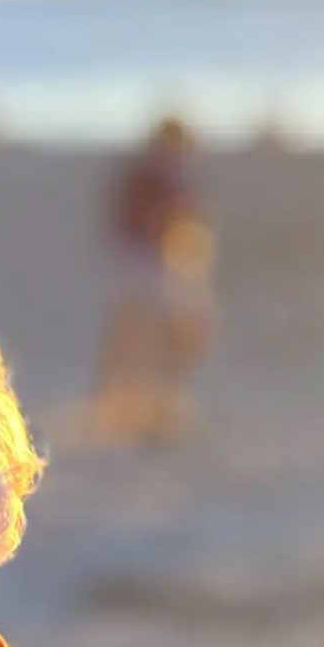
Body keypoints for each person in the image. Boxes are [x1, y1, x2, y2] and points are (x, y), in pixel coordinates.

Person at [89, 114, 216, 443]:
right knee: (138, 332)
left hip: (158, 261)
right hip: (144, 260)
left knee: (161, 335)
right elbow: (147, 218)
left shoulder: (173, 175)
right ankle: (130, 405)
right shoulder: (150, 176)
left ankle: (150, 404)